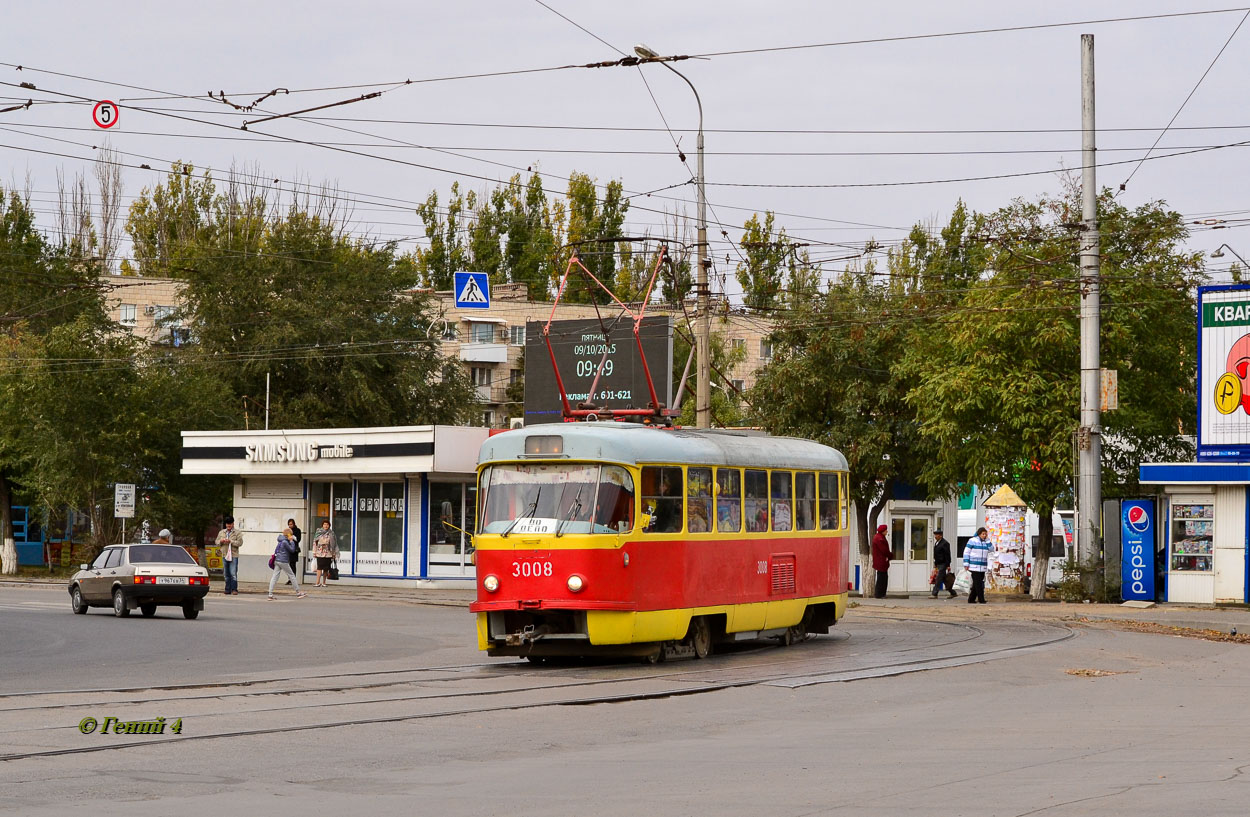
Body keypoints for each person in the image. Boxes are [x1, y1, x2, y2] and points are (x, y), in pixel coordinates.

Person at [269, 527, 306, 600]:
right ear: (288, 535)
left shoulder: (281, 540)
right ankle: (298, 593)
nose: (292, 536)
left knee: (274, 577)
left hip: (277, 560)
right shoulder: (285, 542)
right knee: (292, 575)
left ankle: (270, 594)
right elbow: (292, 550)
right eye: (291, 535)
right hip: (283, 561)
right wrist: (291, 541)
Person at [964, 526, 994, 604]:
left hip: (982, 566)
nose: (984, 535)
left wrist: (987, 540)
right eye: (983, 534)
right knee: (978, 584)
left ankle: (971, 599)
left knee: (976, 584)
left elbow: (991, 549)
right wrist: (966, 563)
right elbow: (966, 552)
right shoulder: (972, 541)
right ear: (979, 534)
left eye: (985, 534)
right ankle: (981, 599)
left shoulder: (986, 542)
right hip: (974, 566)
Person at [216, 516, 243, 595]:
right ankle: (227, 589)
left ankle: (234, 589)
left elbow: (240, 543)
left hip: (233, 555)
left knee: (233, 573)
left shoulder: (237, 533)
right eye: (227, 524)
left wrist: (231, 541)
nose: (229, 526)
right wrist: (221, 541)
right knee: (226, 573)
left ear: (233, 524)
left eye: (230, 524)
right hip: (224, 554)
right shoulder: (222, 532)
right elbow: (216, 542)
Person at [311, 520, 339, 587]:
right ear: (322, 525)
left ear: (329, 525)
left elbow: (334, 544)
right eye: (324, 524)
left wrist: (334, 553)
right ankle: (317, 582)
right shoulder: (318, 532)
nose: (326, 526)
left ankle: (324, 582)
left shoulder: (331, 533)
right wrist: (314, 552)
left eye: (327, 524)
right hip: (320, 553)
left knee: (326, 569)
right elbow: (315, 543)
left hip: (328, 553)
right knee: (319, 568)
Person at [931, 528, 957, 599]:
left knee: (938, 579)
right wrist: (935, 564)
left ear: (940, 536)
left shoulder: (945, 543)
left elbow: (947, 555)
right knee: (944, 579)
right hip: (938, 563)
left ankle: (934, 594)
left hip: (943, 564)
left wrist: (948, 565)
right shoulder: (937, 543)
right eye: (935, 535)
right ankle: (953, 592)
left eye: (937, 535)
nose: (935, 536)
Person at [871, 523, 891, 598]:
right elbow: (884, 550)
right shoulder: (880, 539)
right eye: (886, 530)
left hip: (881, 561)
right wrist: (890, 555)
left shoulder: (879, 537)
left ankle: (881, 594)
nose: (887, 532)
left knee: (882, 577)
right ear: (883, 531)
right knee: (882, 578)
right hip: (881, 561)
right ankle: (879, 594)